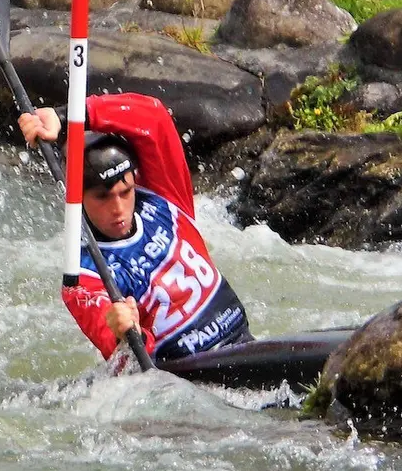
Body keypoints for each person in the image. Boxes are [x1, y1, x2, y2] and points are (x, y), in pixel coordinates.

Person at [18, 92, 252, 363]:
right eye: (102, 197)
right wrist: (124, 333)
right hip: (196, 375)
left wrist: (68, 117)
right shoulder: (83, 276)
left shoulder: (165, 197)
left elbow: (154, 118)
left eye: (125, 191)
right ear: (77, 199)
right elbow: (126, 361)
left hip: (244, 344)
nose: (118, 208)